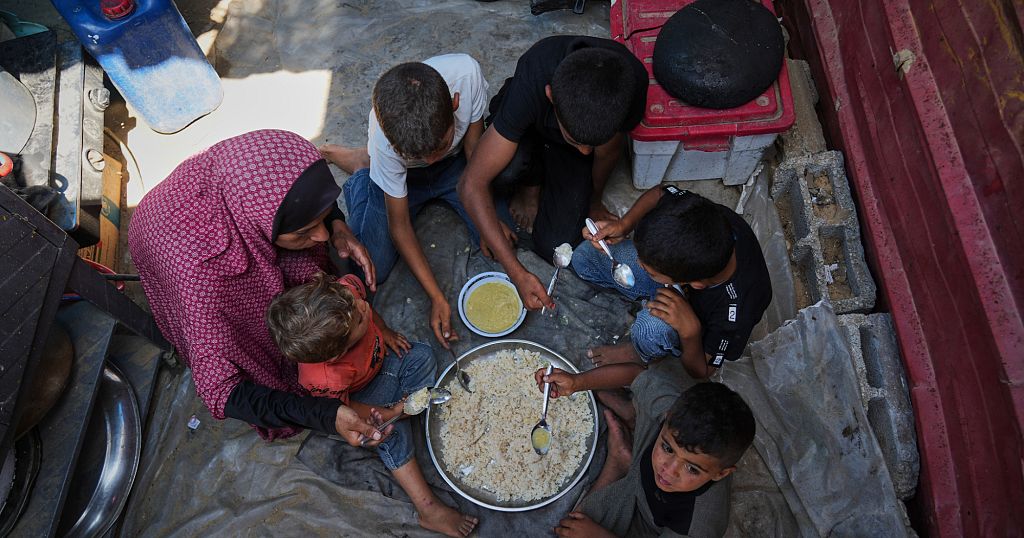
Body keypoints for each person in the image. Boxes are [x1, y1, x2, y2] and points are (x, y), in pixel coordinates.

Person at [128, 129, 385, 445]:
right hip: (173, 244)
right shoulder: (202, 286)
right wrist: (324, 414)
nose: (322, 238)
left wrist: (338, 224)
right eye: (304, 231)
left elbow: (312, 200)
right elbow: (223, 392)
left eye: (321, 223)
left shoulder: (268, 167)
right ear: (258, 224)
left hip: (206, 213)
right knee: (256, 340)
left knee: (313, 272)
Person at [266, 273, 478, 538]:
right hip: (360, 399)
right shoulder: (326, 378)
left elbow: (361, 302)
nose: (364, 306)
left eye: (356, 302)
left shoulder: (344, 295)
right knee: (389, 434)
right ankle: (428, 509)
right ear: (338, 354)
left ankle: (412, 405)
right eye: (359, 320)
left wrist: (384, 331)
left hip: (382, 365)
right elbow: (347, 411)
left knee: (422, 355)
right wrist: (391, 413)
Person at [457, 35, 648, 311]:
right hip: (528, 128)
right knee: (502, 173)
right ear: (551, 96)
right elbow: (470, 184)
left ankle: (555, 166)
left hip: (564, 144)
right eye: (576, 141)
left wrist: (594, 200)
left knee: (554, 244)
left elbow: (608, 151)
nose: (586, 152)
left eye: (592, 145)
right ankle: (530, 185)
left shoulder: (631, 84)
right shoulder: (535, 75)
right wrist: (517, 273)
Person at [320, 54, 496, 348]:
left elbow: (475, 159)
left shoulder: (466, 76)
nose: (430, 160)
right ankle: (363, 168)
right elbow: (399, 226)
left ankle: (368, 159)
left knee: (496, 234)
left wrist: (486, 220)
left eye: (439, 146)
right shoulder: (385, 139)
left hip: (456, 168)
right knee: (373, 267)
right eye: (420, 155)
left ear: (455, 103)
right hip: (405, 178)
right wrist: (436, 297)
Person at [572, 185, 772, 382]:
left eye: (649, 270)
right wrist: (625, 224)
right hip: (677, 275)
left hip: (694, 321)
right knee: (585, 257)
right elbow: (660, 192)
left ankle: (640, 352)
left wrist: (690, 331)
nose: (638, 264)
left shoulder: (736, 312)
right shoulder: (703, 216)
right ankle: (647, 293)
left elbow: (703, 370)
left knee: (651, 330)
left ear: (695, 284)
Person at [534, 364, 755, 538]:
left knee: (574, 527)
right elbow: (636, 374)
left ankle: (620, 456)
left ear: (721, 473)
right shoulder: (674, 416)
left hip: (646, 524)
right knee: (572, 525)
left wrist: (599, 535)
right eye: (668, 448)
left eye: (692, 469)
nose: (669, 470)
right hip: (639, 474)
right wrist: (577, 382)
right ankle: (625, 446)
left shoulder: (700, 525)